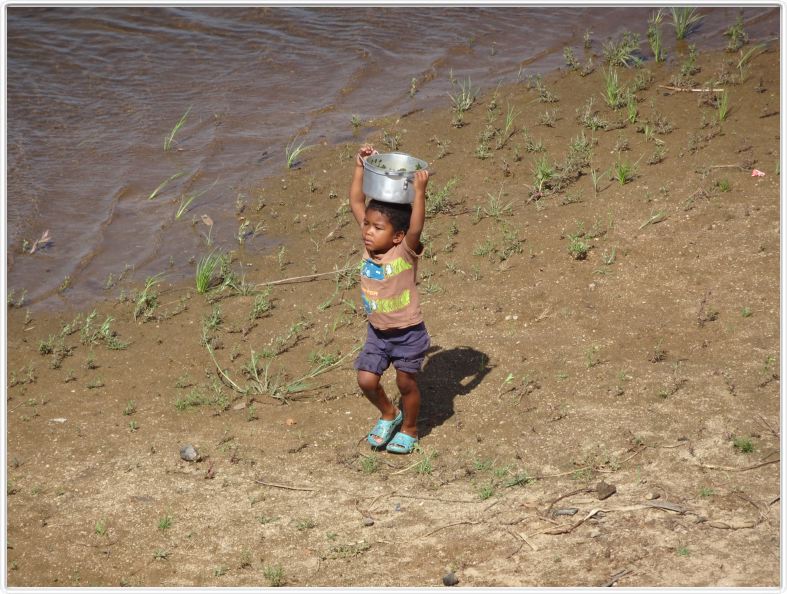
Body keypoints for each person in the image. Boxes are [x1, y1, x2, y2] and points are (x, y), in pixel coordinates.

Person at [348, 144, 430, 454]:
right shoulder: (370, 246)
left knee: (406, 384)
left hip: (408, 333)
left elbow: (417, 225)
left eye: (377, 227)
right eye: (367, 225)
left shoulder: (404, 251)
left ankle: (409, 427)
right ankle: (388, 413)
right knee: (367, 380)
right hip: (377, 333)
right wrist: (361, 166)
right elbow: (357, 199)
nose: (368, 231)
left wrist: (419, 192)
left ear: (397, 235)